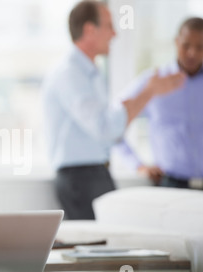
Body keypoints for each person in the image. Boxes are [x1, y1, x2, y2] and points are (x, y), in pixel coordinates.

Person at [41, 0, 186, 220]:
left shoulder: (91, 74)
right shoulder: (71, 74)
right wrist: (148, 92)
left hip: (95, 173)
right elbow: (105, 128)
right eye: (109, 26)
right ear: (90, 30)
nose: (115, 34)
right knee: (97, 247)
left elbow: (111, 133)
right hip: (81, 177)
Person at [115, 17, 203, 190]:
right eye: (186, 46)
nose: (192, 53)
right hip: (171, 184)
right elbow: (113, 124)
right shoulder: (153, 82)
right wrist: (137, 165)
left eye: (200, 47)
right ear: (176, 42)